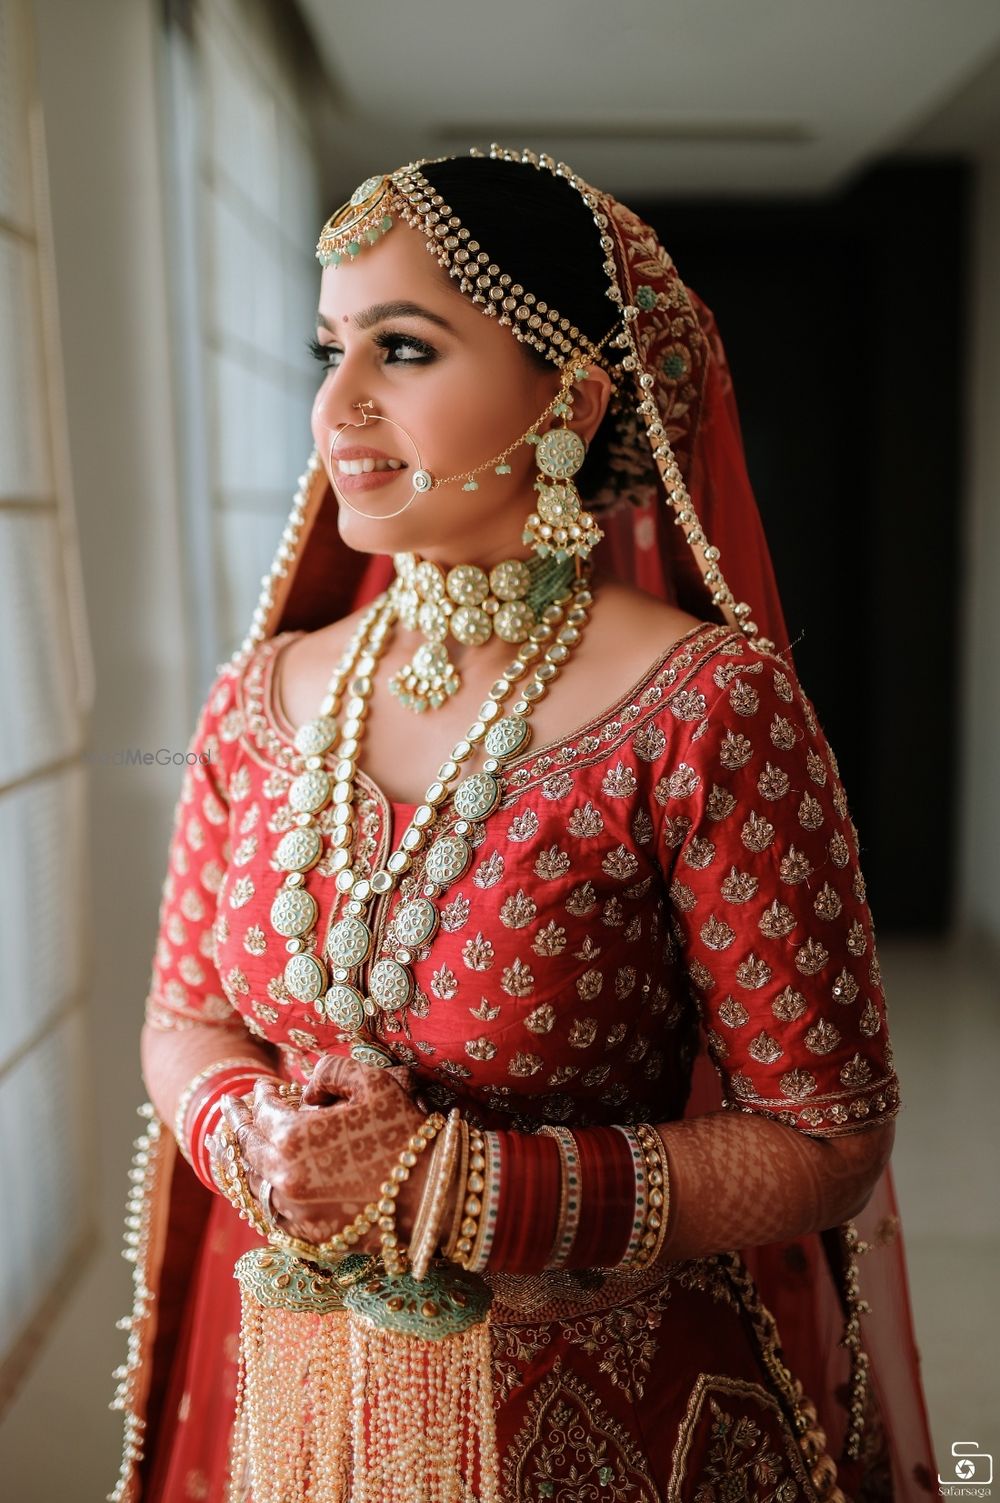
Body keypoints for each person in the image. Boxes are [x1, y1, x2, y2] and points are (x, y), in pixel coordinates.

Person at [110, 147, 936, 1502]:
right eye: (331, 348)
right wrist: (251, 1134)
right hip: (300, 1429)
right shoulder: (259, 693)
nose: (339, 406)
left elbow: (828, 1134)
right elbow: (185, 1017)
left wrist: (467, 1187)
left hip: (617, 1435)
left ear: (572, 395)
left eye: (405, 347)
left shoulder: (705, 707)